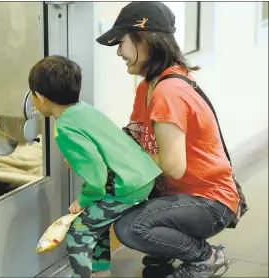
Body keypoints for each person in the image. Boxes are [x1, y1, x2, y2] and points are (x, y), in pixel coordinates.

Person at [95, 2, 240, 278]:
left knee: (130, 227)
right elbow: (135, 140)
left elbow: (173, 167)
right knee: (117, 198)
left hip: (209, 201)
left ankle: (206, 257)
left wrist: (115, 157)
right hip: (181, 193)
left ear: (146, 39)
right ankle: (167, 250)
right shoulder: (147, 87)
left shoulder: (168, 91)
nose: (118, 52)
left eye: (122, 42)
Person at [28, 55, 162, 278]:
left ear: (40, 98)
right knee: (94, 219)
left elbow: (97, 178)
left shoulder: (65, 129)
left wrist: (83, 200)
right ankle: (100, 272)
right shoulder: (82, 110)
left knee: (79, 230)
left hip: (126, 186)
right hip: (141, 174)